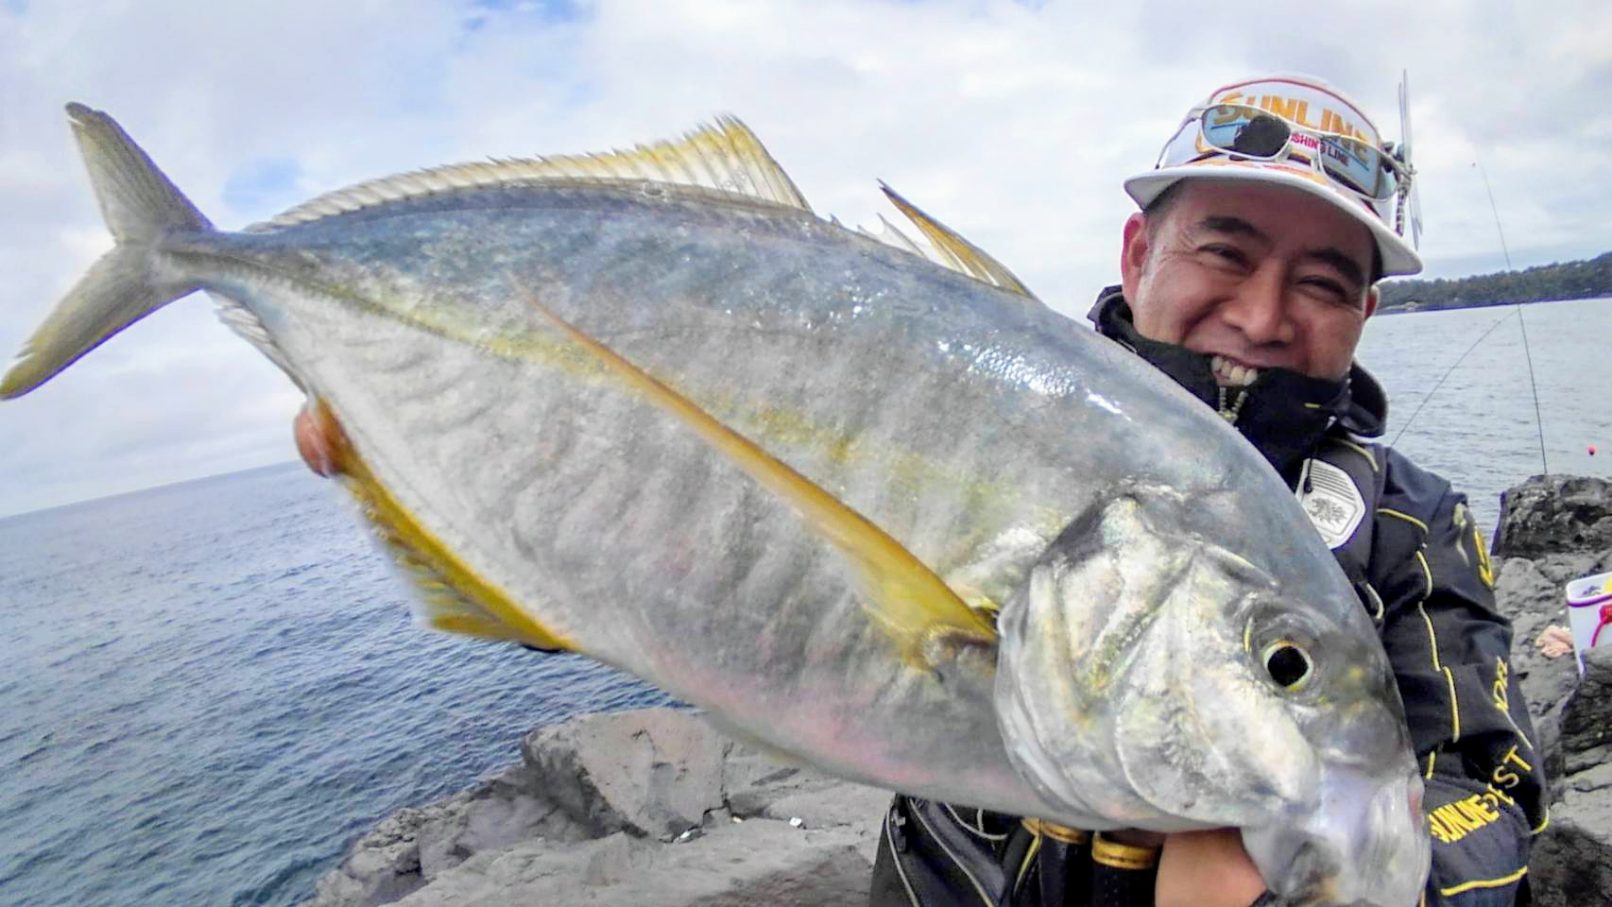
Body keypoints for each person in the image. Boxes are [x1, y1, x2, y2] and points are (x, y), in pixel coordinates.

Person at [867, 74, 1546, 906]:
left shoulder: (1412, 521)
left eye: (1322, 283)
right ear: (1138, 253)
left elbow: (1492, 795)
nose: (1262, 317)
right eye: (1226, 252)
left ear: (1364, 312)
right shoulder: (970, 418)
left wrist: (1305, 887)